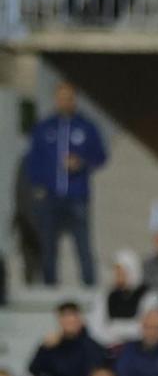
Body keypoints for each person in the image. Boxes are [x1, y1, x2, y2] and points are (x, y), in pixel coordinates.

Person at [24, 82, 109, 286]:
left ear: (74, 99)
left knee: (83, 243)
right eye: (61, 97)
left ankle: (89, 284)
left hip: (77, 196)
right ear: (56, 99)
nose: (65, 102)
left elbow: (101, 156)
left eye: (69, 98)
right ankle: (50, 285)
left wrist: (81, 162)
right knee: (48, 244)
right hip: (50, 196)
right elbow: (33, 160)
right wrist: (38, 187)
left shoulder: (86, 127)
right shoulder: (44, 128)